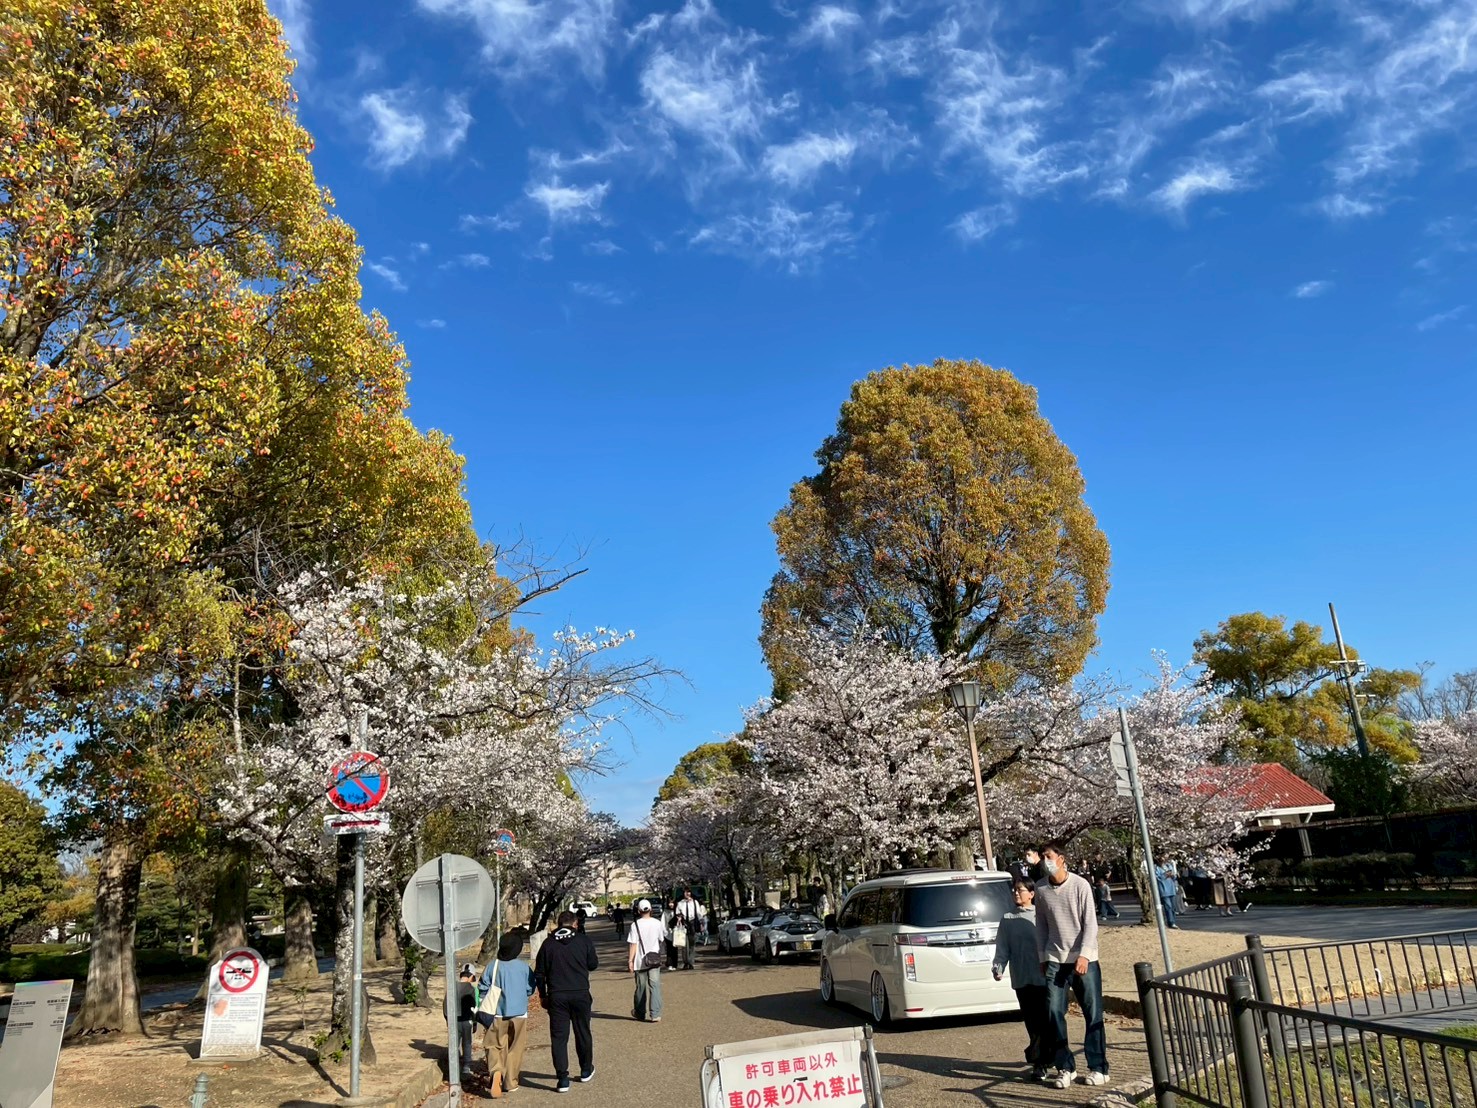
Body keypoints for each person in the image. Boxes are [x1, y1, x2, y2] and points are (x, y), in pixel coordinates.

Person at [1035, 840, 1108, 1088]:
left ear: (1061, 858)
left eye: (1048, 856)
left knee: (1092, 1013)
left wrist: (1085, 955)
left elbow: (1090, 923)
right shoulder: (1041, 889)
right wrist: (1043, 957)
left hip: (1083, 958)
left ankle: (1098, 1067)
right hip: (1055, 959)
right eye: (1042, 857)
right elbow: (1041, 925)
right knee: (1053, 1012)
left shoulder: (1080, 885)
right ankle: (1065, 1067)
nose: (1045, 861)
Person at [993, 882, 1053, 1080]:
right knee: (1032, 1022)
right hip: (1022, 977)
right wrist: (998, 967)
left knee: (1048, 1020)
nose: (1016, 893)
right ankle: (1039, 1063)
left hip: (1043, 977)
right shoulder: (1007, 919)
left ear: (1032, 894)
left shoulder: (1041, 916)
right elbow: (1002, 947)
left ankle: (1048, 1058)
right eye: (1015, 890)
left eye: (1020, 890)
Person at [534, 910, 599, 1093]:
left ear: (558, 923)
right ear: (575, 923)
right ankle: (585, 1069)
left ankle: (562, 1078)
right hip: (580, 993)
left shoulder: (548, 944)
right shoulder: (583, 940)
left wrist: (543, 995)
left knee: (559, 1038)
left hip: (557, 995)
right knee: (583, 1032)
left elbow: (539, 973)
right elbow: (593, 964)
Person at [480, 932, 536, 1098]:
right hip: (519, 1013)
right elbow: (530, 988)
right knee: (515, 1047)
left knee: (494, 1045)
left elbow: (483, 987)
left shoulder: (493, 966)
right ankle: (510, 1082)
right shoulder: (524, 968)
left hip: (496, 1013)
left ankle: (496, 1071)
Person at [627, 898, 668, 1022]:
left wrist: (630, 960)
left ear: (638, 910)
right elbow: (661, 939)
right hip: (654, 958)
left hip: (640, 960)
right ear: (650, 909)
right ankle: (655, 1013)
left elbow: (633, 944)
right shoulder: (657, 923)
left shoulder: (635, 925)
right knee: (655, 986)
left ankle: (640, 1012)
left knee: (641, 987)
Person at [451, 964, 478, 1072]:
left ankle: (454, 1065)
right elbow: (474, 1007)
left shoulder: (453, 987)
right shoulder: (471, 989)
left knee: (454, 1043)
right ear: (471, 977)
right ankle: (466, 1066)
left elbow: (446, 1005)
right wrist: (475, 1022)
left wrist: (448, 1019)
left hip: (454, 1021)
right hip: (467, 1020)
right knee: (467, 1043)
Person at [674, 888, 706, 969]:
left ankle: (691, 962)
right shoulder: (680, 903)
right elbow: (677, 913)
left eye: (688, 892)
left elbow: (699, 914)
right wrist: (679, 918)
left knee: (692, 944)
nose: (687, 894)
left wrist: (701, 924)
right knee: (685, 945)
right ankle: (686, 962)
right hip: (684, 924)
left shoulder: (695, 902)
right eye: (685, 892)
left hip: (693, 923)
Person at [1155, 858, 1181, 929]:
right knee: (1168, 906)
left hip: (1171, 889)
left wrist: (1173, 875)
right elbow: (1157, 878)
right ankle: (1171, 922)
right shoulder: (1156, 868)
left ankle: (1173, 921)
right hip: (1163, 889)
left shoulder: (1169, 866)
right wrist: (1165, 875)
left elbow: (1174, 877)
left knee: (1173, 907)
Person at [662, 899, 680, 969]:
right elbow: (663, 922)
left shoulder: (677, 911)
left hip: (676, 933)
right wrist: (664, 931)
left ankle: (675, 964)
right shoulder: (665, 912)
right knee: (669, 949)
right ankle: (669, 963)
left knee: (675, 949)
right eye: (669, 903)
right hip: (667, 933)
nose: (671, 904)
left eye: (672, 903)